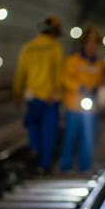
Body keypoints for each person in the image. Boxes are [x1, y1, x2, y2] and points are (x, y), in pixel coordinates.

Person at [13, 16, 63, 173]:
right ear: (55, 32)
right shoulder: (55, 47)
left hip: (32, 96)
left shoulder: (27, 48)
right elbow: (58, 72)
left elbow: (20, 73)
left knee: (32, 123)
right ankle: (44, 165)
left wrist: (17, 93)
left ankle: (34, 148)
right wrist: (57, 92)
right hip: (49, 98)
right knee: (48, 131)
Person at [59, 26, 105, 174]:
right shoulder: (72, 61)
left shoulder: (98, 64)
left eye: (95, 43)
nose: (92, 46)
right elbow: (65, 78)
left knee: (88, 137)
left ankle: (85, 166)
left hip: (89, 106)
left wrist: (98, 91)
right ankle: (65, 166)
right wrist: (80, 87)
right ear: (83, 44)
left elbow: (100, 82)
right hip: (73, 105)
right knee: (70, 136)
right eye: (89, 43)